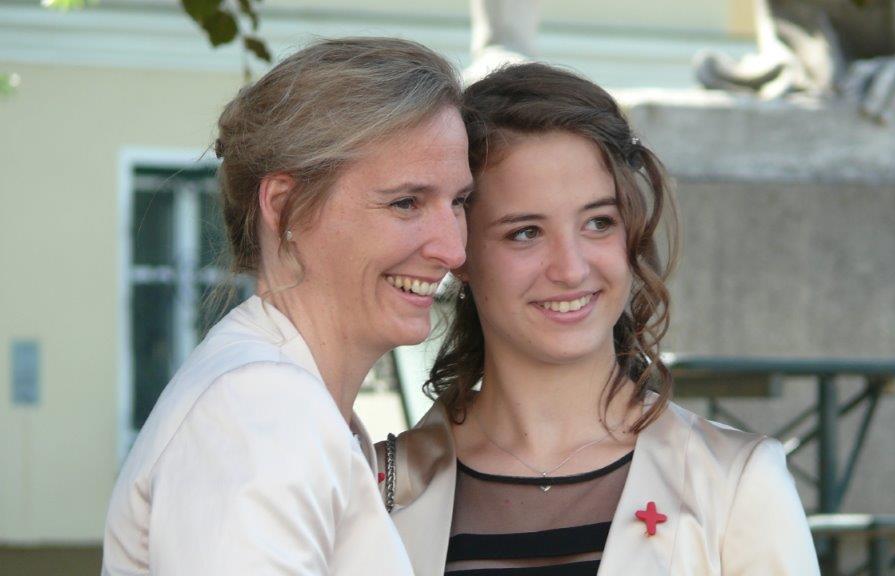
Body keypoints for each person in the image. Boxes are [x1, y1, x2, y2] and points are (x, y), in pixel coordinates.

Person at [376, 62, 820, 575]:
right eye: (525, 232)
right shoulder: (379, 486)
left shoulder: (734, 482)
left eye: (598, 222)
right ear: (460, 251)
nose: (571, 269)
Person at [103, 38, 473, 575]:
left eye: (458, 202)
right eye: (406, 202)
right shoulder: (261, 408)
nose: (453, 250)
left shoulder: (285, 397)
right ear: (284, 206)